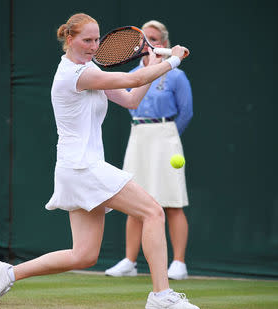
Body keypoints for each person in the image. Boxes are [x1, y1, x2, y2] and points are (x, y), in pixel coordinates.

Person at [0, 13, 199, 309]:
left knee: (84, 255)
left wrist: (153, 66)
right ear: (69, 39)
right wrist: (171, 60)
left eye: (97, 39)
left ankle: (8, 272)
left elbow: (132, 98)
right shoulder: (76, 75)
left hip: (78, 167)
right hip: (82, 167)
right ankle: (161, 296)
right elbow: (133, 77)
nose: (94, 46)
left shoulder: (90, 69)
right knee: (153, 212)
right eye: (87, 40)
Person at [105, 20, 193, 281]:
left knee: (172, 202)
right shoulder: (132, 73)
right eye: (145, 38)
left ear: (164, 44)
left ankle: (179, 263)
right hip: (138, 135)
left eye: (154, 38)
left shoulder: (176, 75)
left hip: (166, 136)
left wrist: (168, 137)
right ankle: (130, 262)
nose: (149, 43)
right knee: (134, 202)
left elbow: (186, 112)